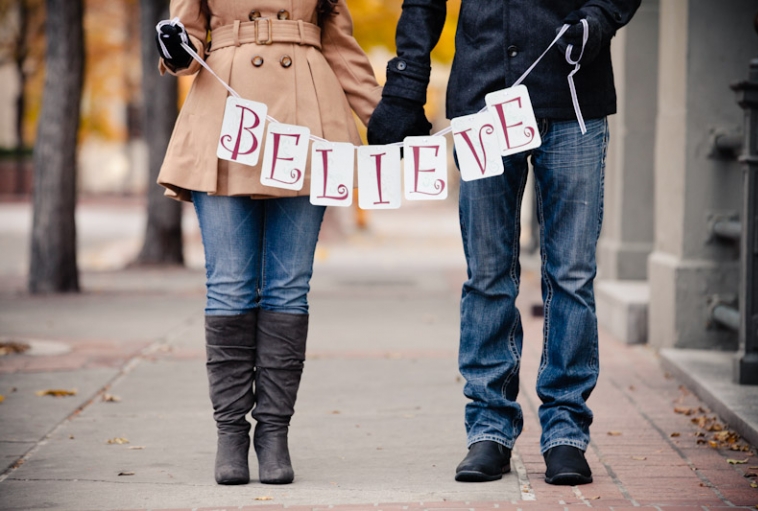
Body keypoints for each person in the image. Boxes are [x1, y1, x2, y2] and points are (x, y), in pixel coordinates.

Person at [368, 0, 640, 486]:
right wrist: (406, 87)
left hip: (573, 97)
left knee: (572, 275)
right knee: (488, 275)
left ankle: (565, 432)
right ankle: (489, 429)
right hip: (482, 105)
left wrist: (600, 17)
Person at [154, 0, 381, 485]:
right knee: (231, 284)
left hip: (308, 116)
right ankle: (231, 434)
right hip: (227, 111)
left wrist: (385, 116)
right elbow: (189, 38)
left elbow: (339, 44)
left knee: (289, 286)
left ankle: (273, 434)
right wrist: (176, 48)